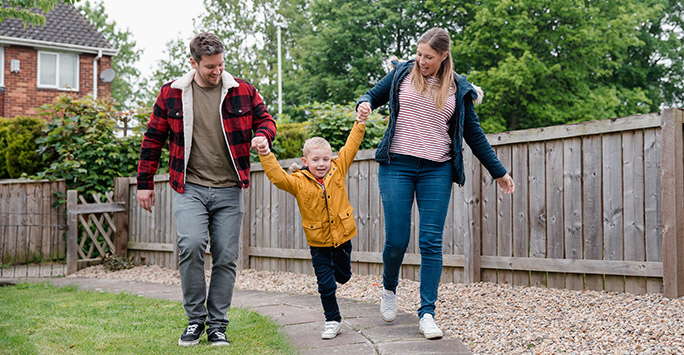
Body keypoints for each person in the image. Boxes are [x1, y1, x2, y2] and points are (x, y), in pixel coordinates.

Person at [356, 27, 515, 339]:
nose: (421, 60)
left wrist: (499, 171)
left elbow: (474, 136)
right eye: (419, 54)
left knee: (430, 242)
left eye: (428, 57)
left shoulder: (458, 89)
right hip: (397, 165)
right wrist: (363, 104)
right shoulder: (402, 74)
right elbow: (372, 95)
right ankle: (389, 288)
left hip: (436, 170)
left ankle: (427, 313)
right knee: (397, 240)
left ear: (444, 56)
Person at [136, 32, 276, 347]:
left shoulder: (242, 91)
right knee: (191, 245)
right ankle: (195, 321)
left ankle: (217, 326)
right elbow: (153, 140)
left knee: (226, 256)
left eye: (221, 65)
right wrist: (144, 184)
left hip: (229, 188)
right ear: (194, 63)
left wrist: (264, 136)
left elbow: (265, 120)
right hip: (190, 187)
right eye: (210, 67)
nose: (217, 72)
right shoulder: (171, 94)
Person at [252, 113, 367, 339]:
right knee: (325, 284)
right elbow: (278, 178)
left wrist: (360, 121)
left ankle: (338, 275)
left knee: (343, 277)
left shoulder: (338, 169)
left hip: (343, 237)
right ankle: (332, 320)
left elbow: (352, 145)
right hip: (319, 243)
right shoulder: (298, 182)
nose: (321, 164)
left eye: (325, 159)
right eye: (315, 160)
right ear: (306, 162)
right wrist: (265, 153)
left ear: (331, 159)